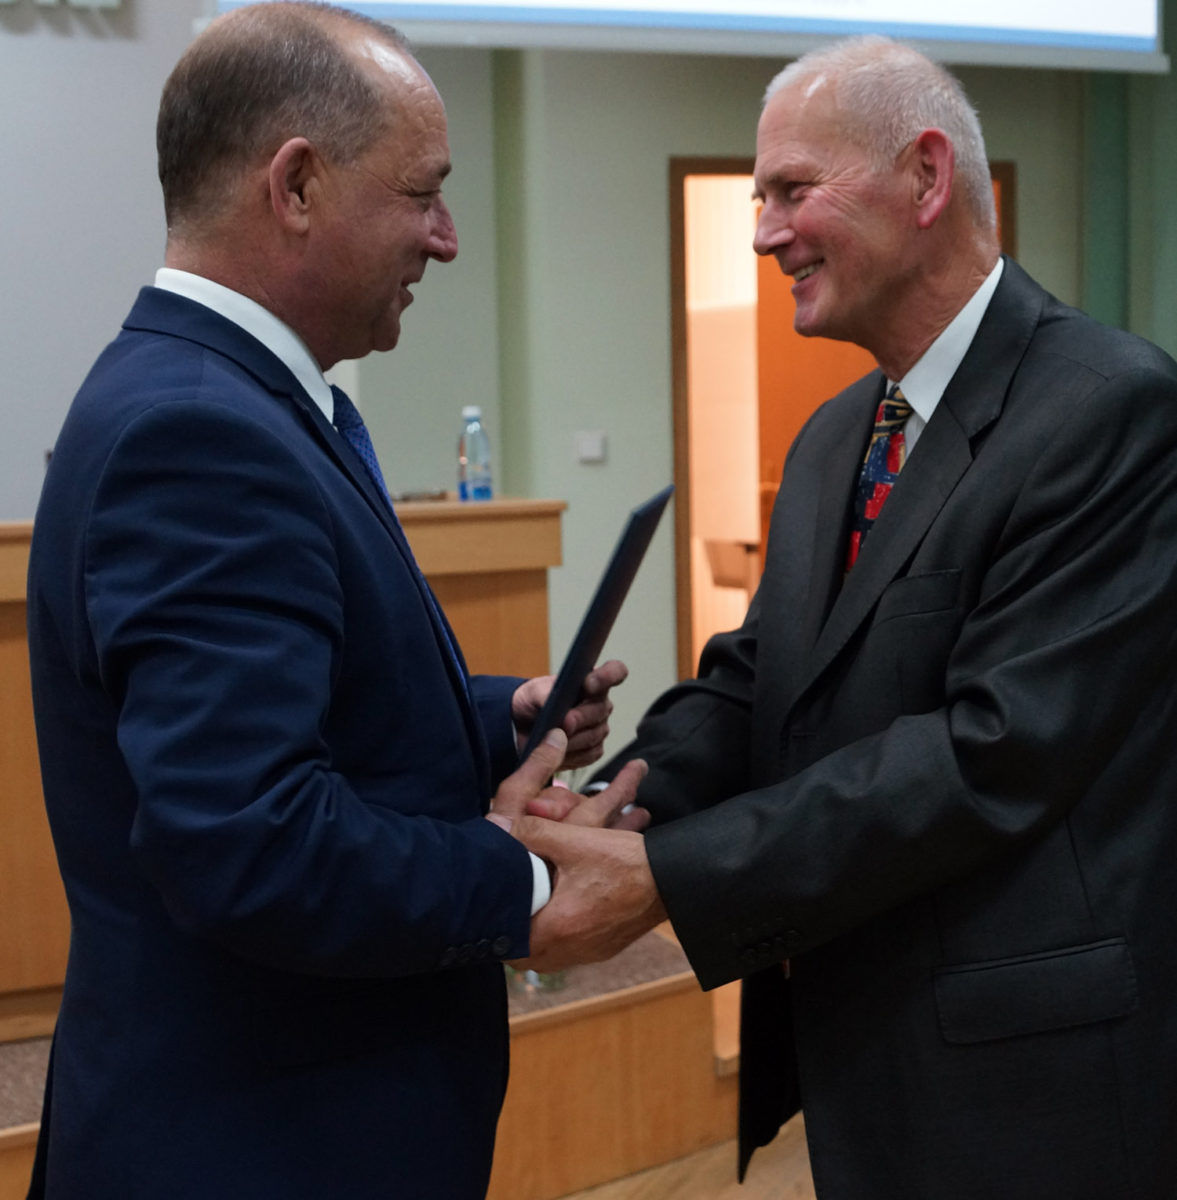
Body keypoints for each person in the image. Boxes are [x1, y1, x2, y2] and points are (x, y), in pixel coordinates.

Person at [512, 35, 1177, 1199]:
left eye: (790, 190)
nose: (763, 233)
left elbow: (991, 754)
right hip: (863, 1056)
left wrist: (671, 877)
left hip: (1033, 1085)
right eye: (758, 198)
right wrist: (620, 799)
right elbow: (759, 678)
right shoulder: (834, 438)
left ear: (924, 178)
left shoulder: (1109, 411)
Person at [24, 4, 645, 1197]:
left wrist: (493, 720)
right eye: (424, 194)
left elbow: (297, 705)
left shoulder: (239, 398)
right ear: (297, 185)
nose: (446, 239)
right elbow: (249, 842)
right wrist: (525, 884)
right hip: (258, 1146)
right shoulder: (197, 432)